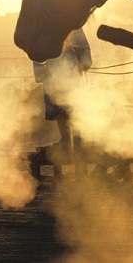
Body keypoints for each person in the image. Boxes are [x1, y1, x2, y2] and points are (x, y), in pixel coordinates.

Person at [33, 28, 92, 163]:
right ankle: (66, 139)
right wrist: (41, 72)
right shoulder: (43, 28)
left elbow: (83, 47)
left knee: (74, 109)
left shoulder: (72, 25)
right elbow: (36, 53)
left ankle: (77, 140)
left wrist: (85, 62)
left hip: (71, 73)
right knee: (59, 110)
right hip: (53, 74)